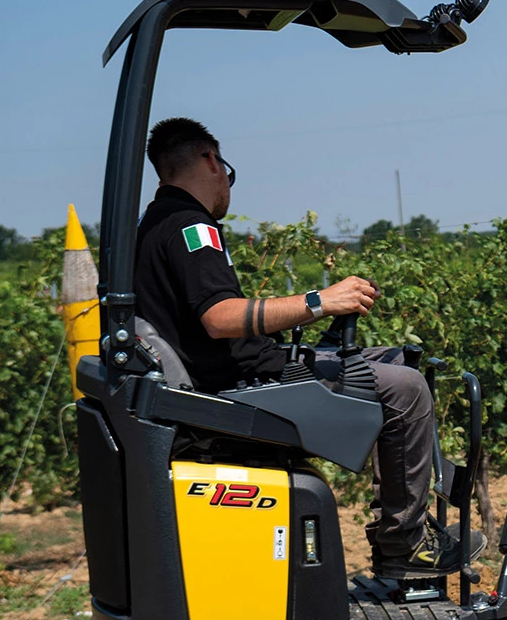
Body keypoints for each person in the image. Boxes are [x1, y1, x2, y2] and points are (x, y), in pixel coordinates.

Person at [133, 116, 475, 575]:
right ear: (211, 160)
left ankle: (406, 525)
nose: (227, 189)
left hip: (226, 377)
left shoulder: (153, 223)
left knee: (397, 360)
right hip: (237, 387)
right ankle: (403, 548)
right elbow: (219, 318)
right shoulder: (191, 227)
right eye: (227, 175)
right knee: (407, 388)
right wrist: (322, 301)